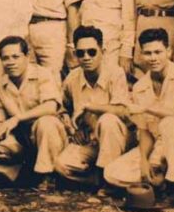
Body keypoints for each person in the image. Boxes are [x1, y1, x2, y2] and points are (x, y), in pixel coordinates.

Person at [103, 28, 174, 207]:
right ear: (141, 55)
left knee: (171, 124)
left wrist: (149, 108)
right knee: (112, 173)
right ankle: (159, 182)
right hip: (157, 146)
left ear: (169, 51)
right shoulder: (141, 87)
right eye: (147, 53)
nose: (153, 58)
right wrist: (144, 161)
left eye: (158, 52)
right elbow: (144, 131)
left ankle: (172, 186)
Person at [0, 36, 65, 189]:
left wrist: (17, 118)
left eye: (15, 57)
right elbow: (0, 119)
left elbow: (51, 107)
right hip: (22, 140)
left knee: (46, 122)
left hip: (48, 138)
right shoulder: (0, 84)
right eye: (5, 58)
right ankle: (21, 176)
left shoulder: (42, 74)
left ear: (27, 57)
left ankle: (48, 176)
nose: (11, 62)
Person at [53, 26, 133, 189]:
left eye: (92, 52)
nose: (86, 57)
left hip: (118, 139)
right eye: (81, 53)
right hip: (90, 142)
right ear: (75, 54)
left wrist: (91, 107)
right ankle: (100, 179)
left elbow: (122, 111)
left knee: (108, 120)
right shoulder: (73, 77)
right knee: (61, 165)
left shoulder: (115, 73)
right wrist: (72, 129)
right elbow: (62, 108)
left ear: (102, 51)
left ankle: (108, 182)